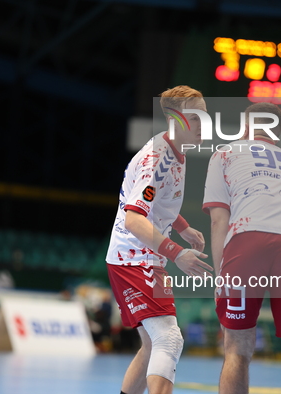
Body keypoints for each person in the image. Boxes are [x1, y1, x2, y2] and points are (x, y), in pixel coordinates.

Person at [203, 102, 281, 394]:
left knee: (236, 348)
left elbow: (219, 221)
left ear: (246, 127)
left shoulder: (225, 153)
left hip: (247, 241)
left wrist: (221, 277)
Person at [105, 85, 213, 394]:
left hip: (147, 256)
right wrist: (178, 253)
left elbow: (156, 203)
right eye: (195, 117)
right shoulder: (158, 158)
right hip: (134, 258)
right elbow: (134, 217)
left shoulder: (177, 150)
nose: (203, 123)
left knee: (154, 344)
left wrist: (182, 227)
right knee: (169, 338)